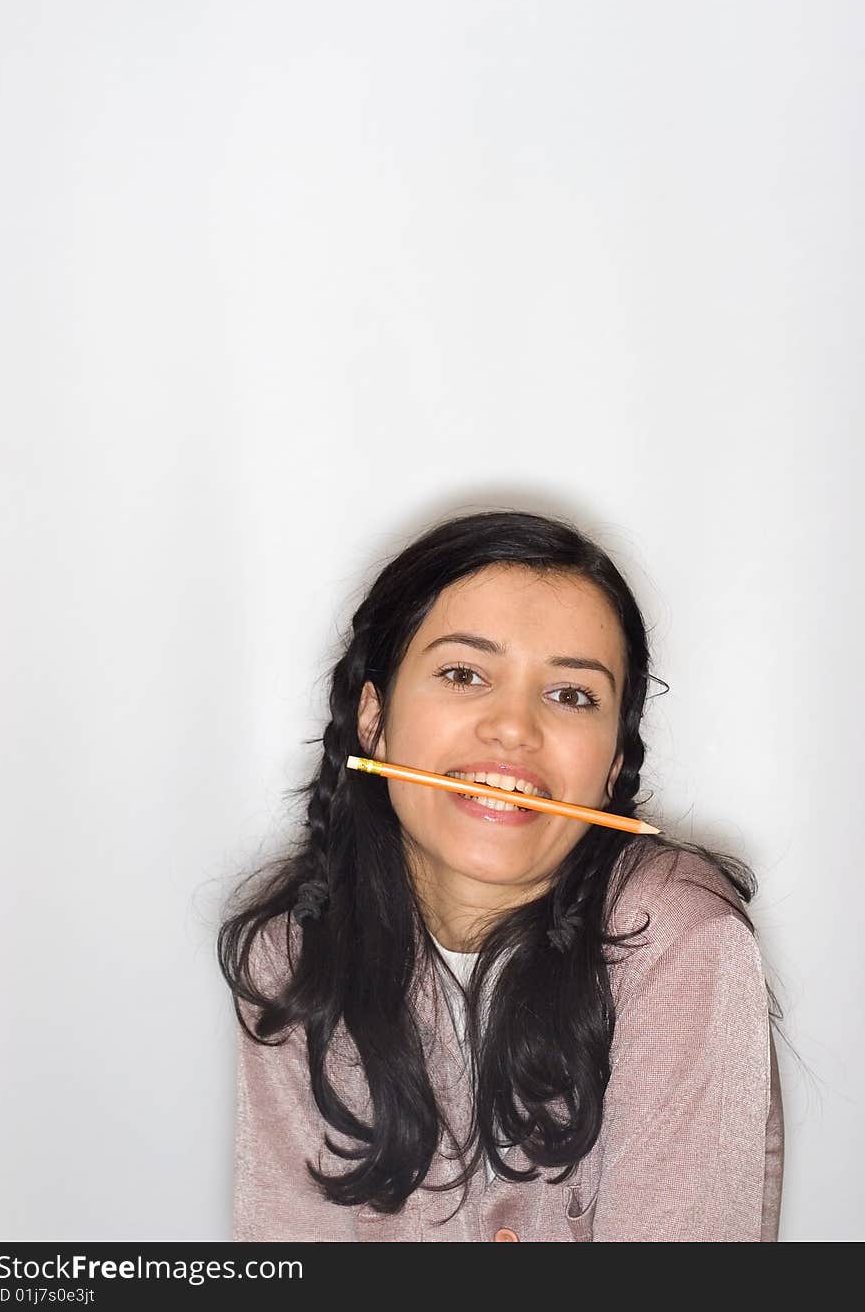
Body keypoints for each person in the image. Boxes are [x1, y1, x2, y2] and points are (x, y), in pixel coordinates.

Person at [219, 508, 785, 1241]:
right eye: (464, 674)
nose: (515, 728)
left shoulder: (681, 940)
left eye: (572, 695)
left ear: (613, 763)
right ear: (373, 718)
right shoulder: (291, 953)